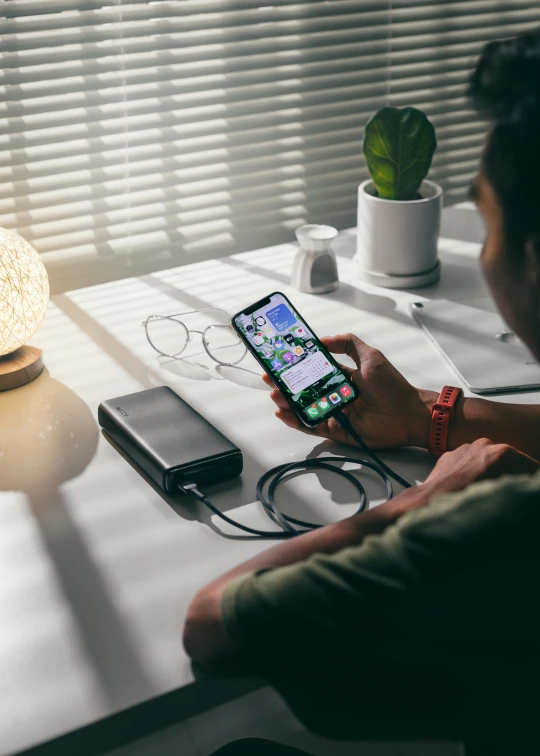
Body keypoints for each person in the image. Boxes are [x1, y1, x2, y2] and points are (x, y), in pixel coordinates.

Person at [183, 32, 540, 756]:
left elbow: (214, 625)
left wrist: (428, 499)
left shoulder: (506, 525)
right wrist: (424, 416)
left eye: (487, 218)